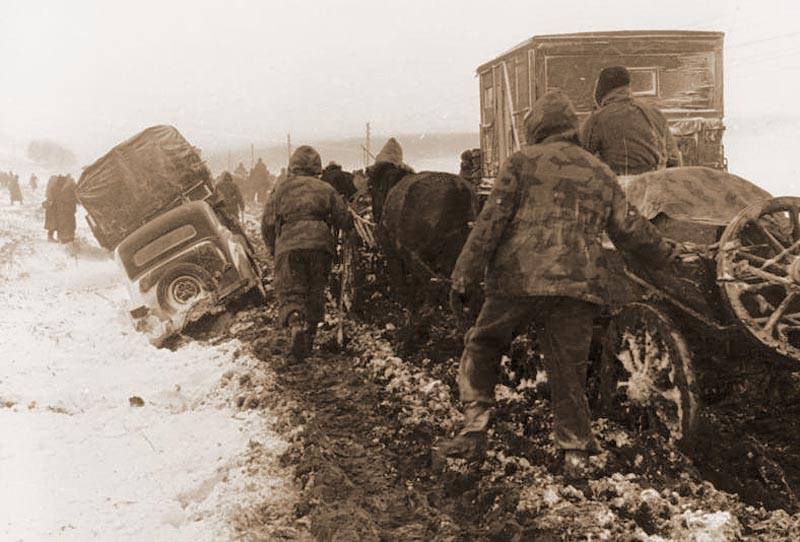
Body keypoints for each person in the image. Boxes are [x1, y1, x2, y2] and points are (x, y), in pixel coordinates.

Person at [440, 91, 684, 477]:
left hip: (516, 282)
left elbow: (489, 224)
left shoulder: (519, 163)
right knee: (568, 370)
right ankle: (574, 452)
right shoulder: (598, 170)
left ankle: (474, 426)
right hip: (577, 287)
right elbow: (632, 231)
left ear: (536, 128)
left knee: (483, 343)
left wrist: (464, 273)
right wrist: (672, 255)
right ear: (572, 129)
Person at [261, 146, 352, 360]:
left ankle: (295, 326)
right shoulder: (326, 189)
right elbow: (344, 220)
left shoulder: (281, 189)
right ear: (317, 168)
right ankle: (309, 339)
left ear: (293, 166)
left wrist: (273, 247)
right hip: (320, 246)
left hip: (290, 245)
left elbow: (267, 223)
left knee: (292, 290)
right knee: (315, 291)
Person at [581, 66, 682, 177]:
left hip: (621, 187)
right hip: (654, 187)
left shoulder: (597, 119)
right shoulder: (656, 113)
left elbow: (578, 159)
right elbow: (674, 161)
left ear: (601, 89)